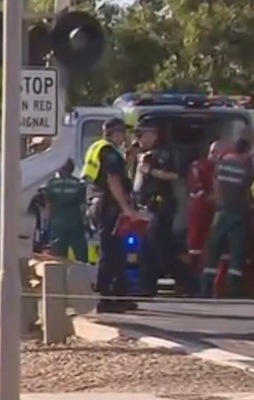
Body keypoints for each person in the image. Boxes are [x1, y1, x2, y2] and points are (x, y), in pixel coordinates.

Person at [82, 118, 148, 313]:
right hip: (108, 206)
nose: (125, 136)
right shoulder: (109, 152)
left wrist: (129, 154)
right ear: (114, 132)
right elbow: (113, 180)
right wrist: (126, 209)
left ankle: (117, 295)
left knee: (116, 252)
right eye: (123, 133)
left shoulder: (100, 148)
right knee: (111, 252)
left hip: (99, 203)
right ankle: (106, 297)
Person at [131, 123, 184, 296]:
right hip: (143, 204)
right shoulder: (138, 154)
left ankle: (152, 284)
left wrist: (151, 171)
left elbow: (174, 175)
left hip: (159, 205)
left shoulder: (162, 154)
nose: (139, 139)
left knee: (155, 246)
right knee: (146, 246)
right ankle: (146, 283)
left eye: (143, 135)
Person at [201, 138, 254, 297]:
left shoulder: (222, 163)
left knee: (212, 249)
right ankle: (233, 290)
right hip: (238, 214)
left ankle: (205, 289)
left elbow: (215, 185)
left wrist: (219, 203)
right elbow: (249, 192)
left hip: (221, 212)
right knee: (237, 253)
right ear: (246, 151)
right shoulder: (246, 168)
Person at [187, 142, 223, 274]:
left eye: (219, 152)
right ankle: (194, 279)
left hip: (215, 213)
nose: (215, 155)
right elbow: (198, 190)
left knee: (211, 247)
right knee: (195, 244)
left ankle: (207, 281)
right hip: (200, 210)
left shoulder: (223, 168)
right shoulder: (199, 166)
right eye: (213, 151)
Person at [43, 158, 89, 263]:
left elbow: (48, 207)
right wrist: (86, 223)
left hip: (57, 224)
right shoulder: (78, 184)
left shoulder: (51, 184)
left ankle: (60, 279)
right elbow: (83, 207)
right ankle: (82, 277)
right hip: (75, 223)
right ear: (72, 169)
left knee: (58, 259)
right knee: (81, 257)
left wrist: (46, 225)